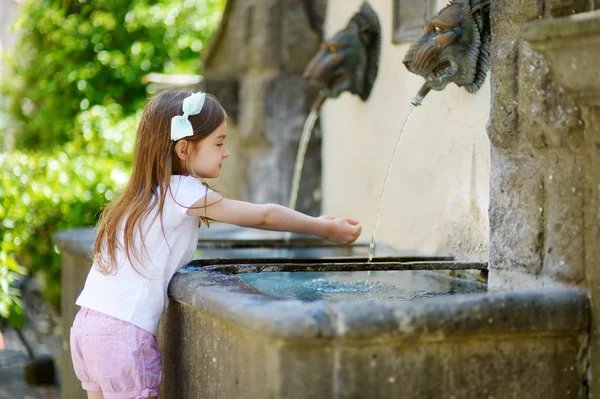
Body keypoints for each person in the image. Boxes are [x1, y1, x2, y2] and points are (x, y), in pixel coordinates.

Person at [70, 91, 362, 399]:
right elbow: (263, 216)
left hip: (88, 326)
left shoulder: (137, 198)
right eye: (219, 143)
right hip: (123, 335)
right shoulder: (180, 191)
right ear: (183, 148)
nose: (226, 153)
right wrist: (322, 228)